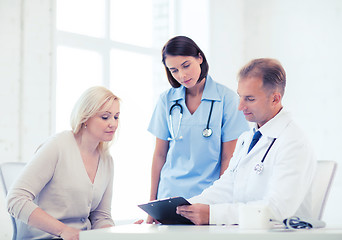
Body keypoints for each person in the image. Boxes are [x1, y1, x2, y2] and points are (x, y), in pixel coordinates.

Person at [176, 58, 316, 225]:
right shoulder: (247, 138)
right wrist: (180, 210)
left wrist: (213, 215)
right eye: (240, 97)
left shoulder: (293, 142)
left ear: (275, 99)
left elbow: (277, 209)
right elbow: (227, 187)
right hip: (247, 231)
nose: (240, 107)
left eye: (250, 99)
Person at [147, 36, 249, 223]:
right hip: (169, 198)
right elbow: (160, 155)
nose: (182, 75)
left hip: (206, 198)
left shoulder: (227, 99)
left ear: (200, 58)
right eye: (174, 70)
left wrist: (219, 204)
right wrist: (152, 205)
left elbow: (229, 158)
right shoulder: (166, 100)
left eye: (186, 65)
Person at [7, 86, 119, 240]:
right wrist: (63, 230)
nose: (113, 123)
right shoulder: (58, 146)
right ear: (85, 117)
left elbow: (101, 216)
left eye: (116, 117)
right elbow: (15, 199)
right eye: (105, 117)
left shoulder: (107, 160)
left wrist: (116, 234)